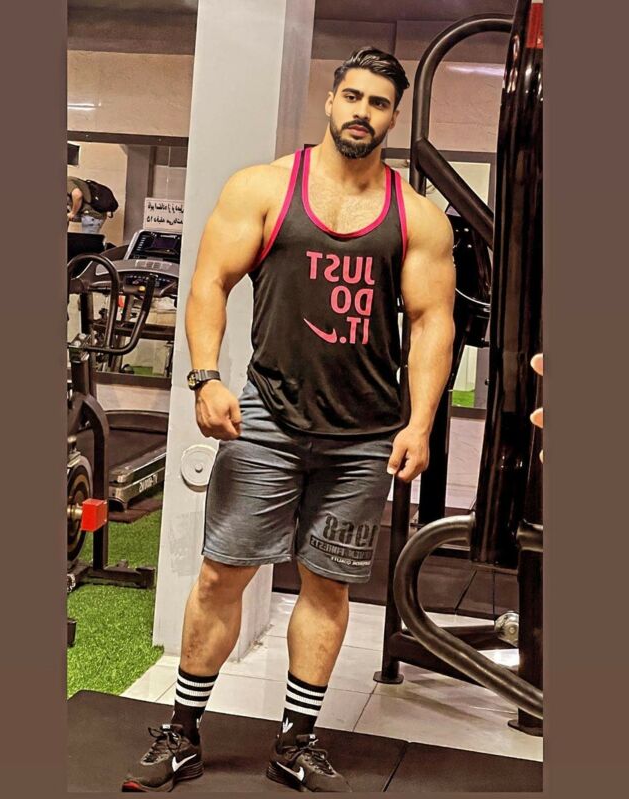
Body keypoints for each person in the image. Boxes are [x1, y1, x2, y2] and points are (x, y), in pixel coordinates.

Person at [122, 46, 456, 793]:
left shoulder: (416, 216)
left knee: (328, 586)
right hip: (267, 419)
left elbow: (432, 321)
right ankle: (181, 733)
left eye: (378, 103)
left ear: (393, 118)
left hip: (365, 435)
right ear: (330, 101)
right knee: (222, 575)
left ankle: (295, 743)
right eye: (353, 96)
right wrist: (205, 376)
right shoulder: (266, 187)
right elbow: (210, 280)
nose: (362, 112)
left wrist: (420, 422)